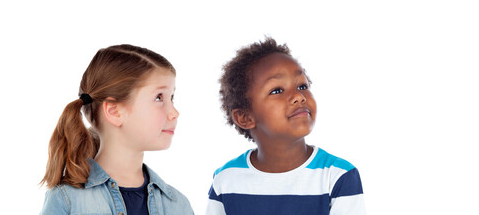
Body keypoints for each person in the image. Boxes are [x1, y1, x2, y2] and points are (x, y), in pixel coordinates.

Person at [206, 37, 366, 215]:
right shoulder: (227, 179)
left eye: (302, 86)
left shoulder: (338, 176)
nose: (299, 96)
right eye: (277, 90)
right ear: (245, 117)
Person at [40, 44, 194, 215]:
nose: (174, 113)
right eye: (159, 97)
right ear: (114, 112)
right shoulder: (67, 200)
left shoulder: (178, 205)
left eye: (172, 97)